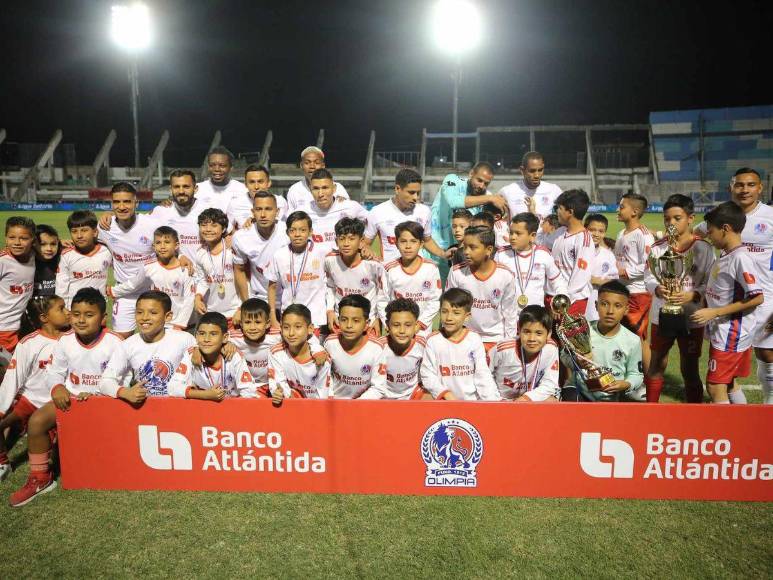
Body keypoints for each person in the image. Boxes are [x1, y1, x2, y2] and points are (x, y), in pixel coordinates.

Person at [8, 288, 123, 507]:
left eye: (89, 315)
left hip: (103, 401)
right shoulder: (65, 340)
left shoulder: (115, 342)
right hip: (70, 398)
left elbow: (123, 378)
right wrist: (58, 388)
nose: (81, 320)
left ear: (103, 317)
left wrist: (99, 395)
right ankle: (41, 478)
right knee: (37, 421)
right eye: (76, 314)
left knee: (93, 458)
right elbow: (54, 372)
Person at [644, 194, 714, 403]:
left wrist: (694, 294)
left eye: (677, 218)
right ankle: (650, 412)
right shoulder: (658, 247)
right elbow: (648, 276)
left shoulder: (703, 248)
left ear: (691, 218)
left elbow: (711, 282)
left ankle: (693, 414)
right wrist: (657, 289)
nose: (671, 223)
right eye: (667, 219)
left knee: (690, 368)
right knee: (656, 363)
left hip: (692, 316)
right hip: (661, 314)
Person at [693, 202, 764, 404]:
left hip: (731, 333)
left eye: (711, 231)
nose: (708, 235)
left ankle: (725, 424)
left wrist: (714, 312)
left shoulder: (741, 258)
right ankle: (743, 421)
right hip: (725, 330)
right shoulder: (727, 253)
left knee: (715, 386)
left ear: (725, 229)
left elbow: (757, 297)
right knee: (730, 382)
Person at [0, 295, 70, 482]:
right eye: (61, 309)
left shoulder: (72, 339)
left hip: (55, 403)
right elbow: (13, 378)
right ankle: (2, 463)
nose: (68, 312)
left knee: (56, 460)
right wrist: (2, 408)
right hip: (29, 399)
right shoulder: (29, 343)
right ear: (44, 318)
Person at [99, 290, 196, 400]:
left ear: (168, 316)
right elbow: (105, 381)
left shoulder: (185, 340)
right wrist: (125, 392)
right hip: (145, 408)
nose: (144, 317)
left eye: (153, 313)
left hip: (180, 407)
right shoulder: (127, 345)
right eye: (139, 312)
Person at [563, 281, 644, 402]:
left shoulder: (633, 340)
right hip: (581, 391)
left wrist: (626, 384)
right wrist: (577, 362)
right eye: (604, 304)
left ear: (626, 309)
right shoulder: (582, 331)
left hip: (612, 396)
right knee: (570, 396)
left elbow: (636, 374)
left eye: (617, 306)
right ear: (596, 305)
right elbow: (564, 356)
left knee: (638, 398)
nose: (610, 311)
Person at [98, 182, 159, 338]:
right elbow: (85, 240)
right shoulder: (104, 227)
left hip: (152, 291)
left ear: (136, 203)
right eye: (117, 202)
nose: (122, 206)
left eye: (127, 201)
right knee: (121, 339)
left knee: (153, 338)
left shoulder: (152, 225)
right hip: (124, 293)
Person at [429, 162, 508, 279]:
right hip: (433, 254)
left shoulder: (487, 197)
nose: (482, 186)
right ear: (471, 174)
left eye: (486, 183)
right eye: (479, 180)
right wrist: (490, 198)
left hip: (459, 258)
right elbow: (453, 201)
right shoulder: (453, 180)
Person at [419, 288, 500, 401]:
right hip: (445, 402)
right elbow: (427, 374)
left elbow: (482, 374)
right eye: (444, 311)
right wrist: (445, 394)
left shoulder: (474, 339)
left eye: (456, 313)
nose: (449, 318)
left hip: (471, 402)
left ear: (467, 316)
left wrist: (491, 401)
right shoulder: (433, 340)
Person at [445, 226, 517, 350]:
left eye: (472, 247)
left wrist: (509, 343)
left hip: (496, 339)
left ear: (489, 250)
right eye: (465, 247)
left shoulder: (505, 275)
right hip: (465, 337)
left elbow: (510, 313)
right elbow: (449, 307)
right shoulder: (456, 272)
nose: (466, 252)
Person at [110, 227, 195, 330]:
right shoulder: (149, 267)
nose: (162, 246)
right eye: (158, 243)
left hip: (179, 325)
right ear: (154, 246)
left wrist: (179, 324)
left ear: (176, 245)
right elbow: (133, 284)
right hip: (157, 323)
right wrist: (113, 291)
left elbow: (189, 299)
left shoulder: (185, 270)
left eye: (167, 242)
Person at [364, 168, 448, 263]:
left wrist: (443, 254)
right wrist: (368, 253)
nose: (416, 197)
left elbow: (427, 241)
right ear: (397, 189)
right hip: (389, 270)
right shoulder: (377, 212)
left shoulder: (424, 211)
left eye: (418, 193)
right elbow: (365, 243)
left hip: (418, 270)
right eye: (411, 192)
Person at [168, 312, 256, 400]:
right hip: (202, 406)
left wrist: (229, 405)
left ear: (225, 337)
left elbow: (249, 391)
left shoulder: (233, 355)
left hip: (231, 405)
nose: (206, 339)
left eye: (213, 334)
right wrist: (205, 395)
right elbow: (172, 388)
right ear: (196, 336)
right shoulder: (191, 354)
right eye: (202, 333)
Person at [267, 211, 329, 332]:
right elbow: (272, 287)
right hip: (289, 317)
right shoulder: (279, 255)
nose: (297, 234)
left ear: (310, 232)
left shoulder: (322, 251)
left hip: (315, 318)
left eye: (302, 230)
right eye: (293, 230)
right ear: (287, 232)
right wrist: (273, 316)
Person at [495, 212, 566, 315]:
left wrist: (562, 297)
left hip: (535, 317)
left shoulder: (543, 254)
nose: (513, 237)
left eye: (518, 233)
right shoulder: (501, 254)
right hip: (508, 315)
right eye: (511, 233)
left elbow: (557, 281)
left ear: (532, 236)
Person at [614, 193, 655, 372]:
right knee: (621, 336)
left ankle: (649, 379)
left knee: (639, 338)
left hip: (638, 293)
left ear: (635, 212)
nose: (618, 209)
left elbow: (649, 264)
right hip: (621, 291)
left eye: (622, 206)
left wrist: (626, 272)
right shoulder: (621, 233)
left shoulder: (643, 235)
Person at [325, 217, 386, 334]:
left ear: (361, 241)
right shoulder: (330, 260)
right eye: (342, 239)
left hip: (368, 322)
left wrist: (378, 318)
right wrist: (329, 311)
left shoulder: (373, 264)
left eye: (351, 239)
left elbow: (383, 294)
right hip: (340, 320)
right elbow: (329, 287)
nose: (346, 244)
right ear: (336, 241)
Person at [381, 221, 441, 338]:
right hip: (398, 330)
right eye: (403, 241)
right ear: (396, 244)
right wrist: (388, 323)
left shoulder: (431, 268)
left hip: (422, 331)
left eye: (413, 241)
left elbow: (434, 301)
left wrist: (420, 324)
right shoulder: (389, 269)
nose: (408, 246)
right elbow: (382, 300)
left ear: (421, 244)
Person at [488, 305, 560, 401]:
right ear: (519, 329)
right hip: (501, 400)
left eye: (539, 333)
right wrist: (496, 400)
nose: (532, 339)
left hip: (528, 400)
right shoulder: (503, 349)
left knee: (551, 400)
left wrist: (526, 399)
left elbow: (549, 383)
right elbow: (484, 375)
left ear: (549, 334)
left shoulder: (551, 349)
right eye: (527, 332)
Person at [361, 298, 426, 400]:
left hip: (413, 394)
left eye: (408, 325)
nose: (402, 331)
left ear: (416, 326)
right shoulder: (378, 347)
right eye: (396, 325)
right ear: (387, 326)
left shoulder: (423, 345)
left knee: (432, 396)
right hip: (382, 396)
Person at [324, 295, 387, 399]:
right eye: (344, 319)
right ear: (338, 320)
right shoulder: (330, 343)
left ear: (366, 324)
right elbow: (325, 377)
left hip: (363, 404)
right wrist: (331, 398)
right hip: (335, 402)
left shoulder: (377, 348)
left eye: (356, 320)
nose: (349, 325)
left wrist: (356, 405)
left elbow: (378, 388)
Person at [232, 191, 289, 303]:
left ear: (277, 212)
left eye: (268, 209)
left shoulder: (288, 232)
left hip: (288, 298)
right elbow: (239, 270)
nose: (263, 214)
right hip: (259, 298)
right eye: (258, 209)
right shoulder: (241, 237)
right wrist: (246, 303)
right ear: (252, 212)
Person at [268, 304, 330, 400]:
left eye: (297, 327)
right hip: (290, 405)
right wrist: (279, 394)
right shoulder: (276, 353)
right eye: (286, 327)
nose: (291, 333)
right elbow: (279, 386)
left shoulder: (322, 358)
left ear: (310, 329)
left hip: (315, 406)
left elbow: (322, 396)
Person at [305, 168, 369, 256]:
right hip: (314, 263)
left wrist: (365, 244)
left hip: (343, 263)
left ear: (334, 188)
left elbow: (373, 221)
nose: (320, 194)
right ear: (310, 189)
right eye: (316, 188)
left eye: (325, 188)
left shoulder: (349, 207)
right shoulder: (303, 211)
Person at [193, 209, 240, 325]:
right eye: (204, 225)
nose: (208, 229)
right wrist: (198, 297)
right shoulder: (200, 253)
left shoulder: (233, 249)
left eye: (214, 225)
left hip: (235, 313)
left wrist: (242, 308)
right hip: (212, 313)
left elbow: (246, 281)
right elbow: (203, 280)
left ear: (223, 229)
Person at [551, 189, 594, 315]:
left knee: (568, 330)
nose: (557, 212)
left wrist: (564, 300)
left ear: (570, 212)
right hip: (556, 297)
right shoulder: (560, 233)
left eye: (559, 208)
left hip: (572, 301)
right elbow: (539, 242)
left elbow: (580, 276)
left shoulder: (584, 240)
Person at [56, 211, 112, 308]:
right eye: (74, 231)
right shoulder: (66, 255)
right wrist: (64, 310)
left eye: (84, 230)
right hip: (73, 310)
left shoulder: (107, 250)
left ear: (95, 232)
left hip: (98, 310)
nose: (79, 236)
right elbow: (61, 289)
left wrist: (110, 213)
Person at [148, 169, 207, 261]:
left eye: (186, 186)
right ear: (170, 189)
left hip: (204, 269)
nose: (181, 191)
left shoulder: (208, 210)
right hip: (174, 269)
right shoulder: (161, 211)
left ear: (195, 189)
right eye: (176, 187)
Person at [0, 216, 36, 352]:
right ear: (6, 238)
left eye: (24, 238)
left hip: (22, 326)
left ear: (33, 240)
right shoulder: (3, 261)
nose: (17, 243)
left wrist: (60, 242)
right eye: (11, 237)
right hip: (3, 329)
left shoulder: (33, 255)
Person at [498, 151, 562, 226]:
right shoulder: (507, 191)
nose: (537, 175)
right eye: (532, 171)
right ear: (522, 170)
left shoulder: (554, 190)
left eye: (540, 170)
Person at [196, 146, 250, 228]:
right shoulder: (197, 189)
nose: (216, 169)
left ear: (231, 168)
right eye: (212, 165)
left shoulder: (243, 190)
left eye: (222, 165)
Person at [286, 146, 350, 212]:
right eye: (307, 163)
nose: (312, 166)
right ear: (301, 165)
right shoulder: (294, 190)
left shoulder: (338, 188)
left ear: (323, 166)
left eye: (317, 163)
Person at [583, 214, 617, 322]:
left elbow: (614, 280)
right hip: (577, 304)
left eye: (601, 231)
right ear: (585, 229)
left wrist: (598, 281)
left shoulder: (608, 255)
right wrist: (586, 279)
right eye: (592, 230)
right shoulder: (577, 251)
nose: (596, 234)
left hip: (596, 308)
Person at [32, 224, 61, 297]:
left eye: (53, 244)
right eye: (43, 244)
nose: (49, 249)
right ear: (33, 243)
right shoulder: (26, 261)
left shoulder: (63, 259)